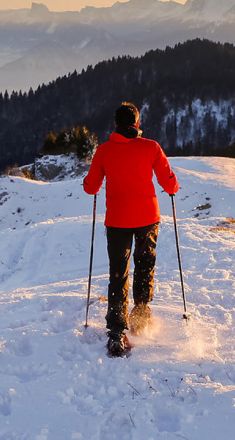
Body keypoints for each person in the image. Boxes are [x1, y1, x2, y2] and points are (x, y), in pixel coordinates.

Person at [82, 102, 179, 357]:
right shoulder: (151, 147)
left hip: (117, 221)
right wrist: (173, 188)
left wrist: (87, 182)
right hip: (148, 217)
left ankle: (116, 332)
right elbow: (169, 182)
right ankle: (141, 312)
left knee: (119, 272)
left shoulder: (104, 151)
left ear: (115, 124)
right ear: (136, 123)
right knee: (145, 262)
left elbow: (91, 187)